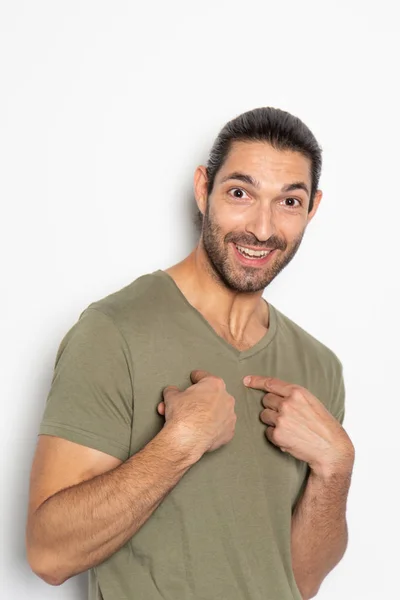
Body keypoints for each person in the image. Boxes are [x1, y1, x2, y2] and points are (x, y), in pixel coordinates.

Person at [25, 107, 355, 600]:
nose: (262, 230)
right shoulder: (115, 331)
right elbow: (49, 556)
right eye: (240, 193)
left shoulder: (319, 366)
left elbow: (300, 581)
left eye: (289, 201)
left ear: (313, 209)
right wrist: (178, 445)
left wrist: (336, 469)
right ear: (203, 189)